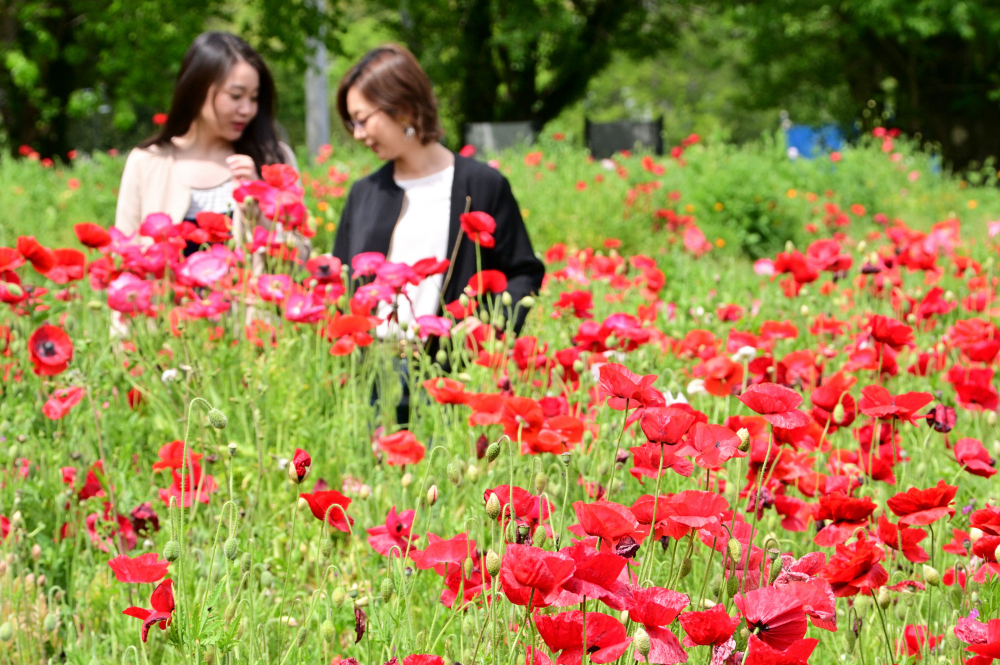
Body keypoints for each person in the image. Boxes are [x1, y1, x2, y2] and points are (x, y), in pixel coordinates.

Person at [332, 44, 544, 337]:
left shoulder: (482, 186)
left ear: (403, 108)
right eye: (351, 122)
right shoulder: (364, 193)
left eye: (363, 119)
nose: (357, 134)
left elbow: (523, 273)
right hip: (373, 369)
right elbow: (340, 288)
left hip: (449, 369)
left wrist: (491, 322)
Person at [114, 31, 307, 260]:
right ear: (197, 90)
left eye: (254, 98)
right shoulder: (147, 162)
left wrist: (261, 210)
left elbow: (300, 257)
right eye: (236, 96)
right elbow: (124, 256)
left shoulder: (274, 161)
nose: (247, 109)